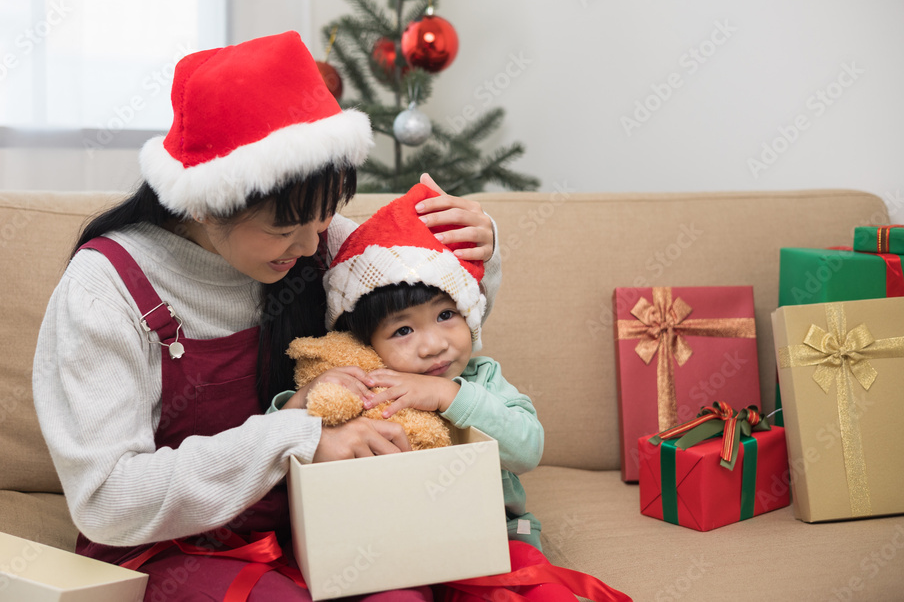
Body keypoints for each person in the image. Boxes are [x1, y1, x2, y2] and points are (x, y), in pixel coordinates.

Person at [31, 31, 502, 601]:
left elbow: (437, 325)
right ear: (204, 204)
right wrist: (295, 439)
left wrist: (482, 250)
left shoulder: (322, 242)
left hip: (313, 522)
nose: (310, 246)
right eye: (283, 229)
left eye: (325, 216)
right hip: (172, 548)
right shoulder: (106, 287)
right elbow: (107, 501)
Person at [275, 183, 544, 550]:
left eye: (446, 315)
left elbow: (528, 450)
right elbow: (283, 434)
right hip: (395, 537)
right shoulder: (368, 381)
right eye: (403, 330)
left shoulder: (483, 377)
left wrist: (447, 394)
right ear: (365, 343)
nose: (433, 344)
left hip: (495, 530)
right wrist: (306, 396)